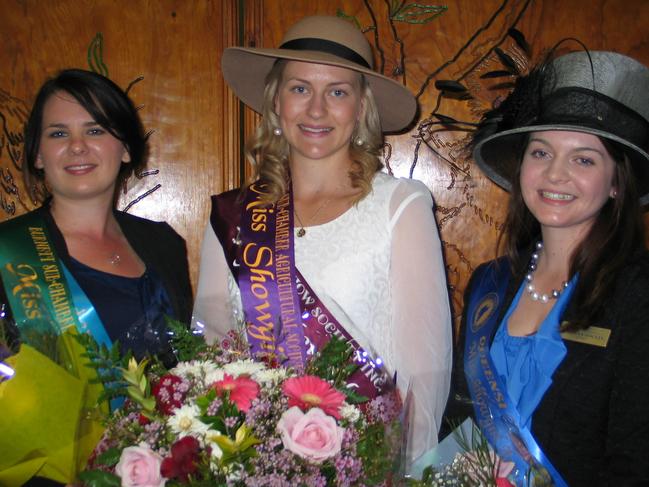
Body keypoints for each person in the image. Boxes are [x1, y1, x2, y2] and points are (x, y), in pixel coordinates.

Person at [192, 15, 452, 471]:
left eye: (337, 91)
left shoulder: (400, 206)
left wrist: (399, 474)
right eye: (299, 89)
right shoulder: (233, 219)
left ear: (360, 108)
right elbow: (211, 355)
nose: (316, 109)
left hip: (368, 470)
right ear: (275, 102)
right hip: (254, 467)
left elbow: (424, 376)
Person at [446, 50, 649, 486]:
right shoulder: (489, 282)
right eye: (541, 152)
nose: (555, 174)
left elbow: (636, 461)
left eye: (583, 159)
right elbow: (458, 419)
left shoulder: (639, 293)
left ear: (616, 182)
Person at [0, 69, 193, 485]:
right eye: (56, 134)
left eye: (95, 129)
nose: (76, 147)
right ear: (36, 155)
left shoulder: (164, 246)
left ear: (124, 148)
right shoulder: (8, 252)